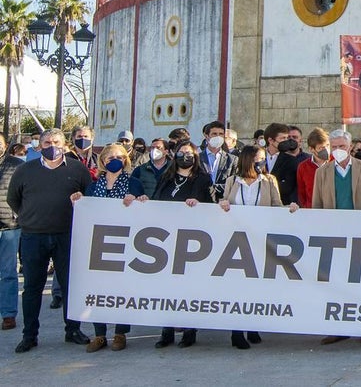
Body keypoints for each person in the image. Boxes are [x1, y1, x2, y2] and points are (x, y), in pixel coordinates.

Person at [6, 128, 92, 352]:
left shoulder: (77, 169)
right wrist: (30, 218)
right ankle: (30, 335)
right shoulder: (25, 170)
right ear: (39, 147)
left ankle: (72, 329)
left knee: (69, 285)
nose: (51, 146)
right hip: (33, 236)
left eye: (55, 142)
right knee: (32, 288)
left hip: (67, 235)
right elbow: (13, 199)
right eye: (46, 143)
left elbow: (88, 196)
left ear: (64, 145)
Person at [69, 144, 144, 352]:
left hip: (126, 242)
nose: (115, 160)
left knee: (122, 288)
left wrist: (137, 201)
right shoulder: (94, 186)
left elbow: (145, 209)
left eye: (120, 156)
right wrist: (78, 200)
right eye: (110, 156)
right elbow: (87, 210)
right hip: (99, 243)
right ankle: (99, 334)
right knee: (98, 288)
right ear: (102, 160)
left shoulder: (133, 183)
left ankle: (120, 333)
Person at [312, 129, 361, 345]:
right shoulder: (322, 173)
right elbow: (317, 206)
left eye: (342, 146)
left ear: (351, 147)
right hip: (334, 237)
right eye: (334, 147)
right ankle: (339, 328)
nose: (338, 150)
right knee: (336, 282)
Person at [153, 140, 214, 349]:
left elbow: (210, 207)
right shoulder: (166, 177)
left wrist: (198, 206)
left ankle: (189, 331)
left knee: (189, 287)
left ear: (195, 157)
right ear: (175, 155)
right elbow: (155, 201)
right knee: (167, 288)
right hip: (166, 239)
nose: (185, 156)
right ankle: (166, 331)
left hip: (191, 241)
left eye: (189, 153)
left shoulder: (203, 179)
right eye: (181, 153)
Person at [0, 137, 22, 331]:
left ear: (5, 145)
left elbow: (23, 192)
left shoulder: (16, 165)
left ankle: (8, 314)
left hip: (9, 226)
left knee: (8, 272)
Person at [295, 128, 332, 209]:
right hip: (312, 212)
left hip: (333, 212)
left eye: (327, 146)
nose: (326, 150)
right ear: (311, 149)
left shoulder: (336, 163)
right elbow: (301, 194)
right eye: (321, 148)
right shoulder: (303, 167)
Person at [264, 122, 299, 206]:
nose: (286, 141)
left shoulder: (291, 161)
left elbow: (288, 187)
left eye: (286, 138)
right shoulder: (257, 157)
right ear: (270, 140)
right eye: (282, 138)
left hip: (281, 205)